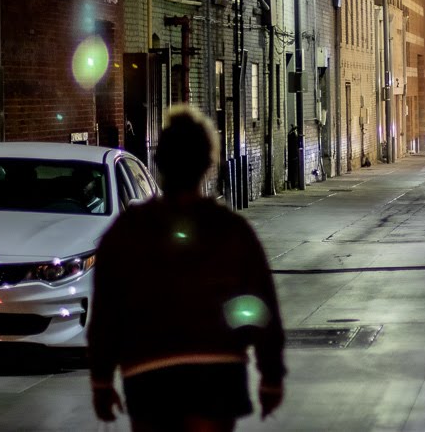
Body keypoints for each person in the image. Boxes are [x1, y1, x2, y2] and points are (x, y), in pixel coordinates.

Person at [87, 104, 287, 431]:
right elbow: (260, 305)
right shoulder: (233, 230)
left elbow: (107, 314)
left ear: (159, 164)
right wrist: (271, 376)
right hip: (217, 373)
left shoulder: (125, 233)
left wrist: (101, 380)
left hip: (149, 374)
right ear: (208, 164)